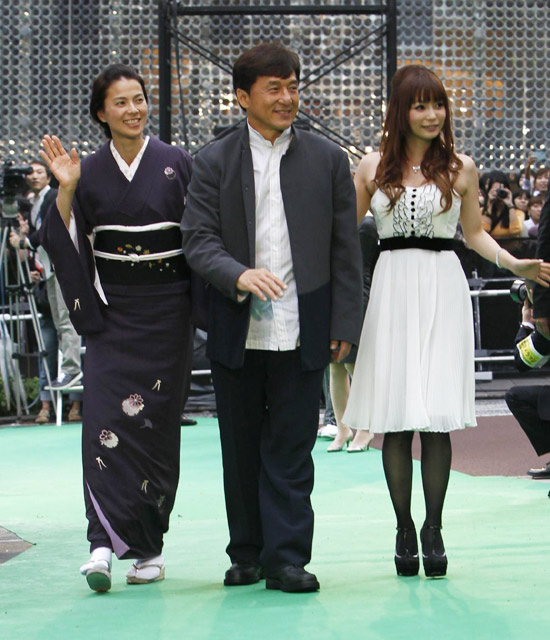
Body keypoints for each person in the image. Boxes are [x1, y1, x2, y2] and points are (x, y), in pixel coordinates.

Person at [343, 64, 550, 579]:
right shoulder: (370, 166)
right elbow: (339, 230)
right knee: (396, 418)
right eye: (420, 105)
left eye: (438, 104)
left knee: (434, 417)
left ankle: (433, 528)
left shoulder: (462, 167)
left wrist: (515, 263)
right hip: (391, 289)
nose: (432, 114)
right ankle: (403, 528)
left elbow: (474, 234)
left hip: (443, 288)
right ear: (401, 110)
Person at [181, 42, 362, 593]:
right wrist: (237, 274)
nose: (288, 98)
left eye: (293, 86)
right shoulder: (212, 160)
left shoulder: (328, 160)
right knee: (238, 448)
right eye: (274, 88)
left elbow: (344, 251)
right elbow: (197, 238)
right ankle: (247, 553)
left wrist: (344, 325)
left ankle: (287, 559)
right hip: (237, 326)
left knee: (291, 448)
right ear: (243, 97)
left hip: (304, 325)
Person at [39, 64, 193, 592]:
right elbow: (60, 237)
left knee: (153, 433)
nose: (134, 109)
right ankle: (100, 545)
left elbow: (200, 237)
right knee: (101, 426)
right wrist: (65, 190)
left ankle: (148, 548)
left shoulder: (176, 162)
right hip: (113, 319)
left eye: (139, 99)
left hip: (168, 318)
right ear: (101, 113)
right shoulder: (88, 172)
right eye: (121, 102)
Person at [9, 160, 83, 423]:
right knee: (60, 322)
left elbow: (51, 228)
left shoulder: (54, 195)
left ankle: (72, 369)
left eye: (40, 171)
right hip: (49, 270)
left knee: (66, 321)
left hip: (61, 267)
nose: (35, 175)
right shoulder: (36, 202)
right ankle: (70, 370)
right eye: (31, 172)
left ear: (49, 174)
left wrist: (26, 242)